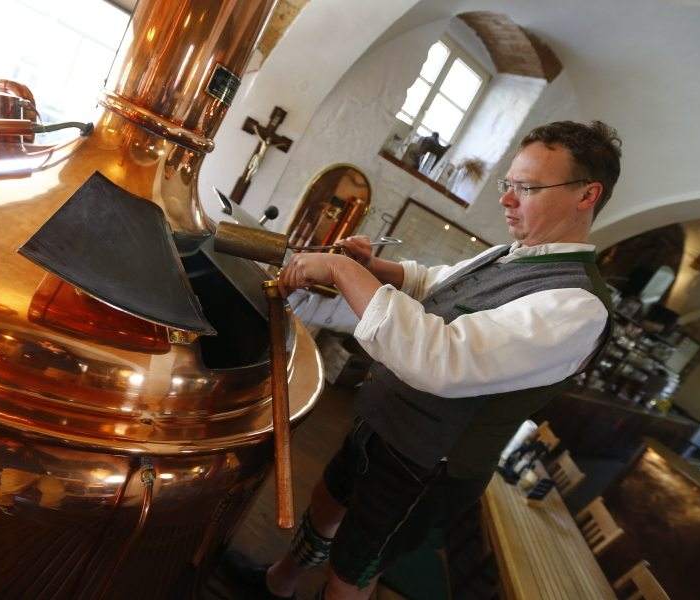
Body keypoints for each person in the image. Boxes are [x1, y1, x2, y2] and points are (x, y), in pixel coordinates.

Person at [226, 120, 622, 600]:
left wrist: (342, 270)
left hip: (427, 464)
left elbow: (442, 360)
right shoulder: (513, 254)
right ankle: (279, 583)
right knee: (328, 502)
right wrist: (373, 267)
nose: (506, 199)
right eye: (508, 183)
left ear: (587, 195)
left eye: (527, 188)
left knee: (352, 570)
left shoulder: (578, 306)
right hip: (387, 423)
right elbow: (432, 284)